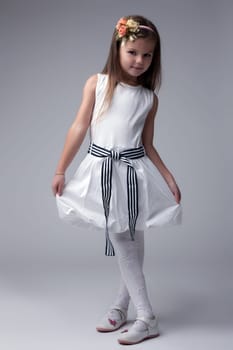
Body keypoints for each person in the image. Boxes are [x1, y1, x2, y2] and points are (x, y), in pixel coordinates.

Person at [51, 15, 182, 345]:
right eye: (133, 52)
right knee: (123, 241)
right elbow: (79, 127)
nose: (140, 60)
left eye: (147, 55)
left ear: (155, 58)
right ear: (118, 48)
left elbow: (147, 144)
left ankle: (120, 306)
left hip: (134, 175)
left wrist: (168, 177)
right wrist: (60, 169)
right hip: (104, 172)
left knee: (135, 244)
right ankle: (147, 316)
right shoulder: (98, 83)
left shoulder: (150, 99)